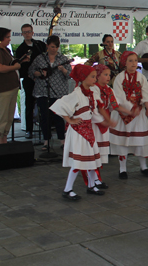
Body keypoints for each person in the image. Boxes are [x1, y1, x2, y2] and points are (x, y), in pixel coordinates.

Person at [50, 65, 115, 201]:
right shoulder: (76, 93)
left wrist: (105, 122)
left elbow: (93, 113)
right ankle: (67, 189)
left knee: (92, 159)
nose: (95, 78)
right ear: (83, 78)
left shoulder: (90, 93)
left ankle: (91, 185)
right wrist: (70, 119)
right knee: (78, 162)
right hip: (79, 132)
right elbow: (59, 105)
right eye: (92, 76)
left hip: (88, 131)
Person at [84, 64, 136, 189]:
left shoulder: (108, 89)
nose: (108, 77)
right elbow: (99, 107)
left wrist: (130, 112)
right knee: (93, 151)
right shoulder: (93, 89)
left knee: (100, 152)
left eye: (109, 75)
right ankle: (93, 180)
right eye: (105, 74)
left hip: (104, 122)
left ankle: (96, 179)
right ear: (97, 75)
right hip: (94, 122)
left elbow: (115, 105)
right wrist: (107, 121)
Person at [109, 51, 148, 179]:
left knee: (141, 141)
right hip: (124, 113)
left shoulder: (141, 77)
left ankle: (144, 166)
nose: (134, 63)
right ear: (124, 63)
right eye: (130, 60)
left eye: (135, 60)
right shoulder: (119, 77)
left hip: (138, 114)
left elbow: (146, 92)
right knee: (123, 142)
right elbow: (119, 96)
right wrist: (130, 108)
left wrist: (147, 105)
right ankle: (122, 168)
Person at [28, 35, 72, 150]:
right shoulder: (40, 58)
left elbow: (70, 75)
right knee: (45, 117)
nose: (54, 49)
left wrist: (63, 70)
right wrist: (40, 73)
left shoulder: (63, 59)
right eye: (52, 47)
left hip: (58, 92)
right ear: (47, 46)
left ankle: (62, 140)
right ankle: (46, 140)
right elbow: (31, 71)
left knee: (58, 116)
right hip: (42, 90)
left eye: (56, 47)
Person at [0, 27, 27, 144]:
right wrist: (15, 67)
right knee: (1, 118)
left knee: (7, 118)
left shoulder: (4, 50)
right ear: (0, 38)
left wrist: (20, 61)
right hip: (2, 89)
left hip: (10, 88)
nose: (9, 39)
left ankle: (4, 143)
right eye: (7, 37)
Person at [16, 24, 46, 139]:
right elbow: (20, 66)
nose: (27, 34)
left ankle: (45, 128)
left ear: (33, 32)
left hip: (42, 80)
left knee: (43, 105)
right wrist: (30, 74)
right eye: (24, 32)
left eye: (29, 31)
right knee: (29, 104)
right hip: (29, 80)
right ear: (22, 34)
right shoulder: (20, 49)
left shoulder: (40, 45)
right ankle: (29, 129)